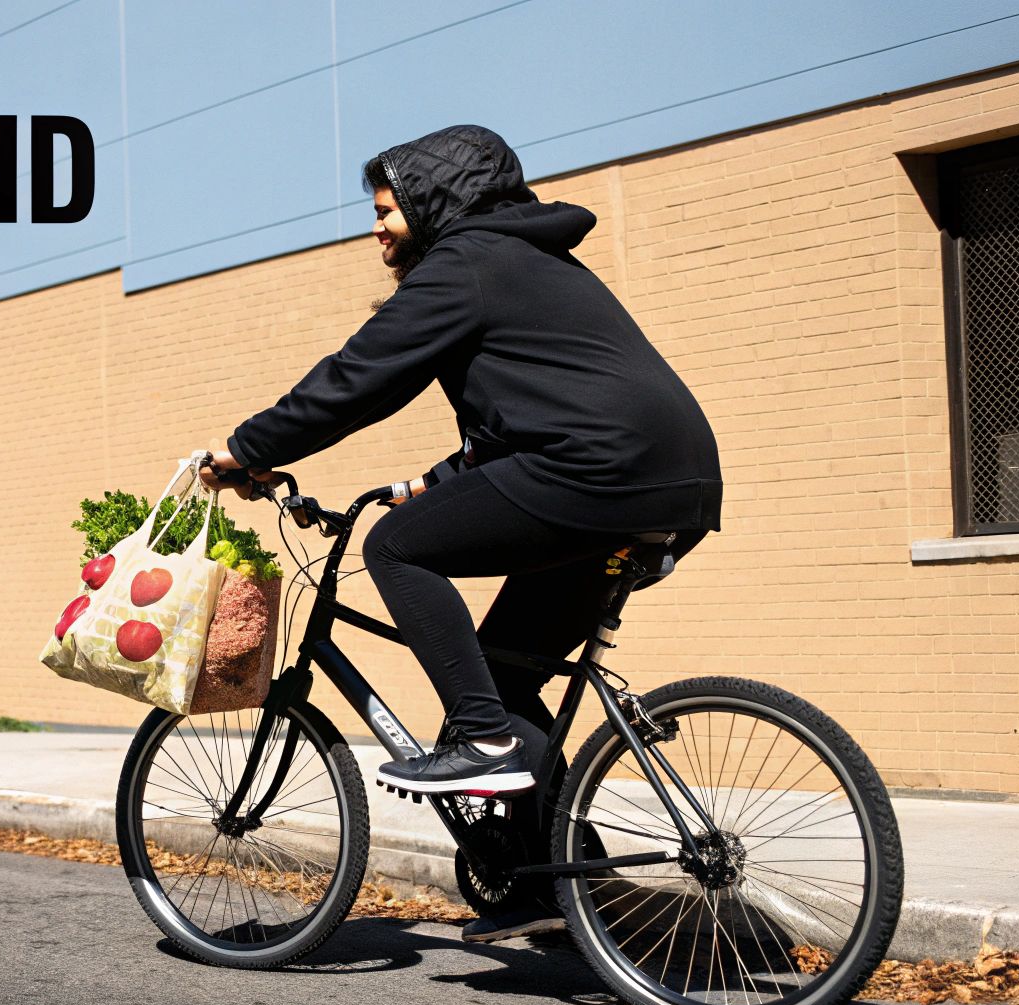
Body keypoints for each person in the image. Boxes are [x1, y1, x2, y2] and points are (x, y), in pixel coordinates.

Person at [200, 125, 722, 939]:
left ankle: (481, 743)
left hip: (598, 474)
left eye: (386, 211)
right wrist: (427, 483)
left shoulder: (466, 261)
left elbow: (358, 379)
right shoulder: (525, 260)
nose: (374, 228)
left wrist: (247, 448)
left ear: (432, 201)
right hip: (664, 479)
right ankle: (546, 885)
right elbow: (524, 418)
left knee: (395, 547)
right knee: (509, 679)